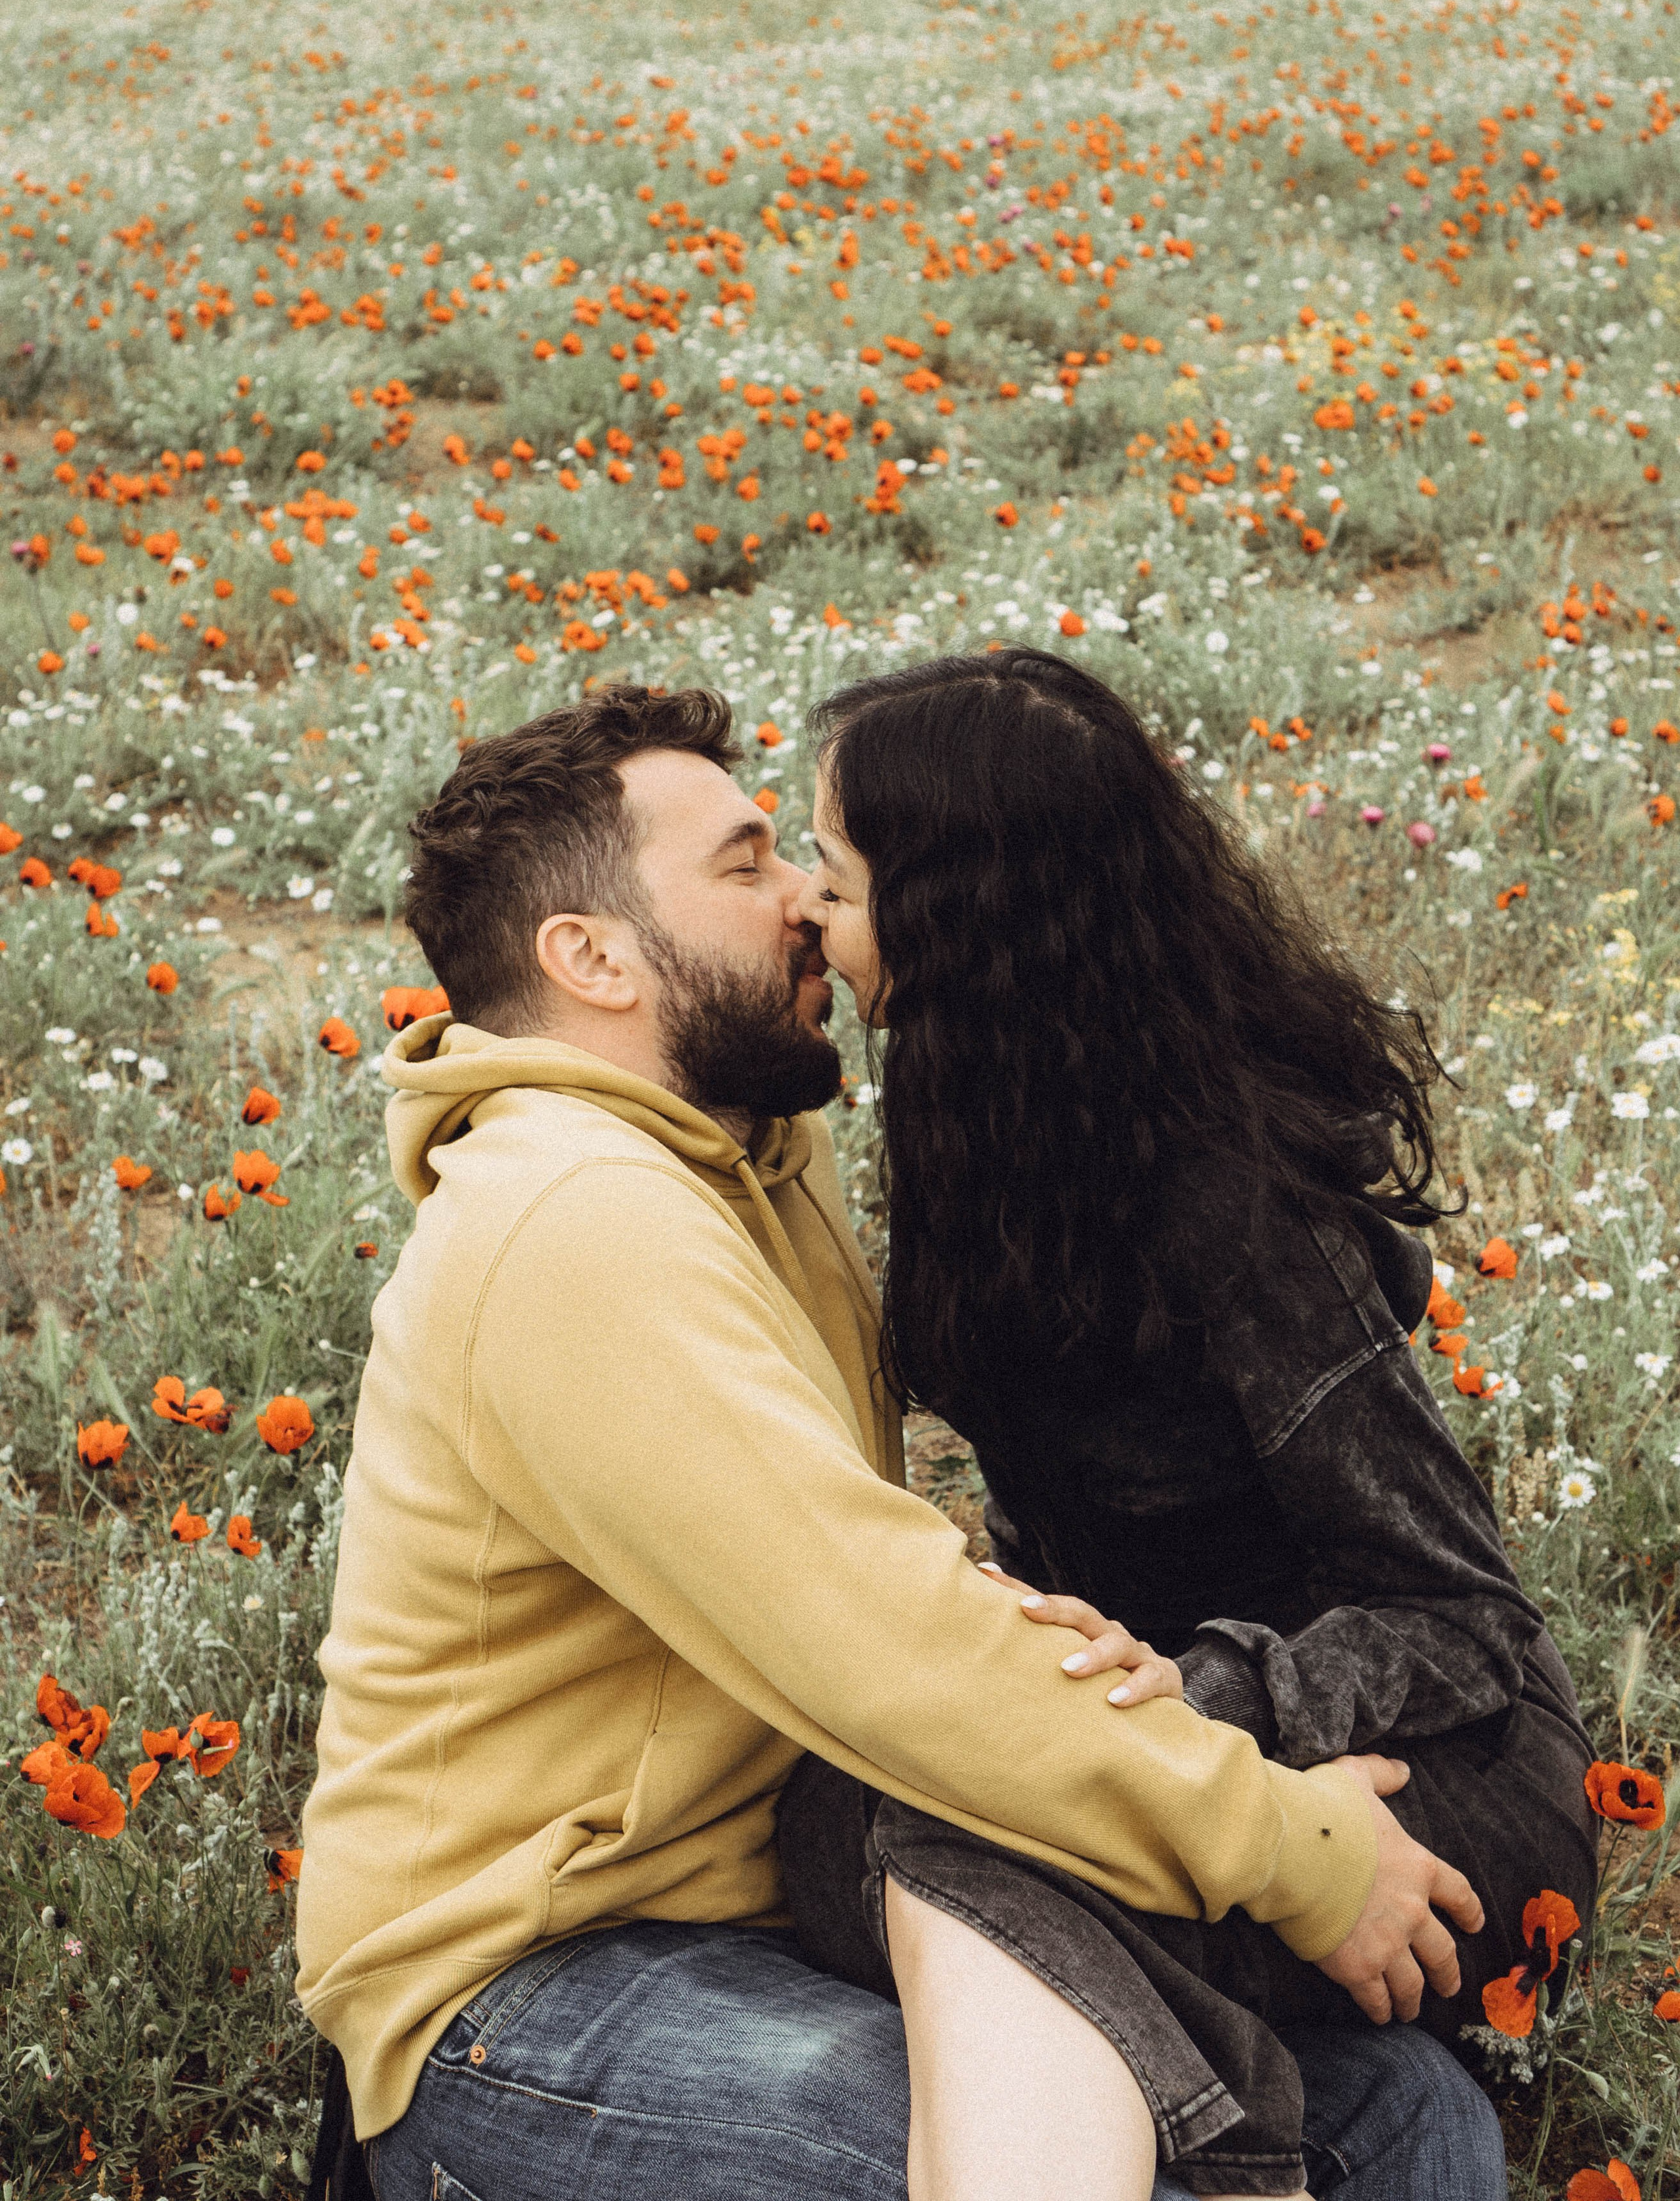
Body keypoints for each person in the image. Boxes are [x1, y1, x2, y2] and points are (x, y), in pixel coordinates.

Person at [297, 683, 1502, 2201]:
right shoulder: (568, 1223)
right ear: (590, 956)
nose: (808, 899)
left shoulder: (745, 1163)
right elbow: (887, 1641)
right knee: (1119, 2171)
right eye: (744, 866)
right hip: (531, 1991)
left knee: (1403, 2117)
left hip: (791, 1912)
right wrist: (1284, 1840)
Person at [776, 644, 1598, 2196]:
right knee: (833, 1832)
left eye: (838, 876)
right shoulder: (986, 1126)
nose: (812, 913)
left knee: (930, 1865)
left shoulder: (1228, 1201)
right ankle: (1292, 2091)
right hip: (1154, 1760)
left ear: (967, 928)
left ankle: (1229, 2160)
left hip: (1413, 1772)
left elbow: (1460, 1618)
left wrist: (1214, 1697)